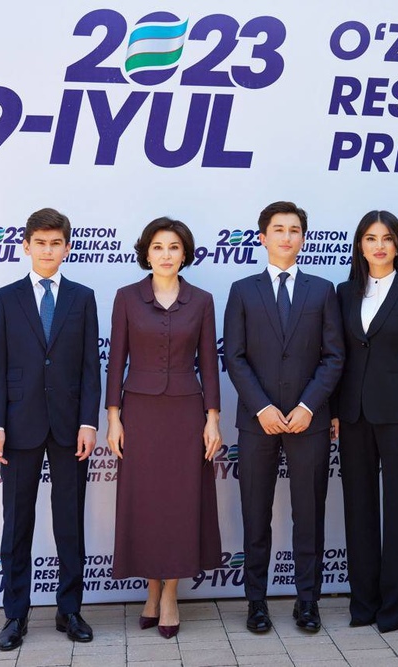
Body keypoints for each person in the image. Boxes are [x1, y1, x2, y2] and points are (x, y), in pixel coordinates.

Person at [224, 200, 344, 634]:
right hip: (258, 420)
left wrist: (308, 406)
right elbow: (234, 356)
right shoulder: (242, 290)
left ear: (303, 238)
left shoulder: (322, 290)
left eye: (294, 230)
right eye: (278, 229)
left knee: (308, 514)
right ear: (263, 237)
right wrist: (263, 407)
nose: (286, 237)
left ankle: (307, 601)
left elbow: (334, 356)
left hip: (309, 420)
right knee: (256, 513)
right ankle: (256, 602)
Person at [0, 208, 101, 651]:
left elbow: (90, 366)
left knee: (70, 521)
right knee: (17, 523)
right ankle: (15, 614)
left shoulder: (83, 297)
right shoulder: (6, 298)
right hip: (19, 424)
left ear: (67, 248)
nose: (48, 250)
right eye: (41, 243)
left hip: (71, 426)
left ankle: (69, 609)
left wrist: (89, 421)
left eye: (56, 243)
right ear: (26, 246)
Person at [106, 217, 222, 640]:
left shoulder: (202, 300)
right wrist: (113, 418)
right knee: (146, 504)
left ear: (185, 253)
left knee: (180, 504)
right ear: (147, 253)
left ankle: (169, 593)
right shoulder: (126, 297)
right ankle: (150, 590)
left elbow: (209, 363)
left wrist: (212, 419)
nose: (166, 255)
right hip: (139, 412)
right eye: (158, 247)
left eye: (174, 247)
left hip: (186, 413)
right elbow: (115, 360)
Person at [330, 210, 398, 633]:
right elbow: (336, 356)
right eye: (371, 238)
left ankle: (394, 608)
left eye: (387, 238)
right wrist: (334, 411)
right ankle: (363, 604)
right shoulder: (344, 292)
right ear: (360, 245)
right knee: (358, 511)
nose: (379, 245)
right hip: (352, 416)